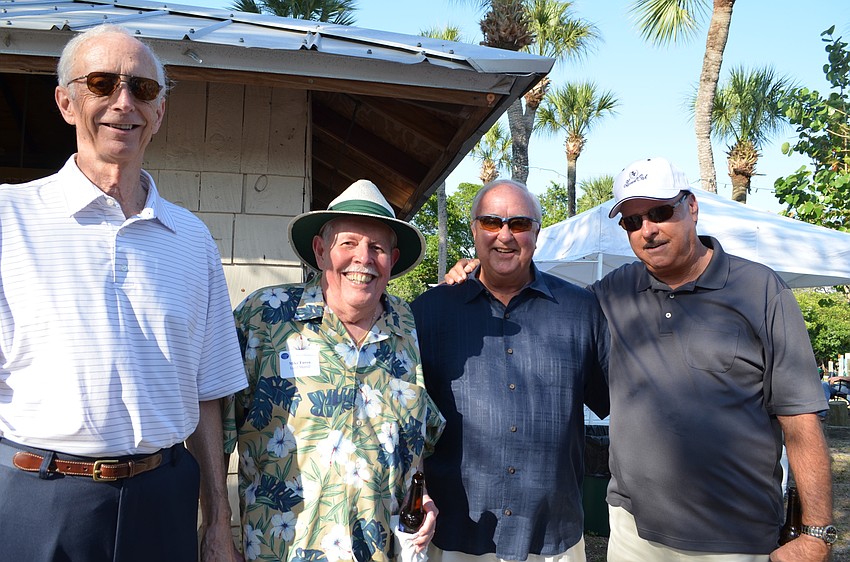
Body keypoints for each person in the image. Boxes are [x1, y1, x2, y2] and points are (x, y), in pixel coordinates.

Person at [447, 157, 834, 562]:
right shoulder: (612, 293)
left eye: (660, 212)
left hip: (736, 538)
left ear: (692, 208)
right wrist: (478, 273)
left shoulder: (759, 289)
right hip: (634, 534)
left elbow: (801, 419)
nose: (647, 230)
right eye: (632, 222)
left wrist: (817, 533)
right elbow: (541, 299)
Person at [0, 25, 247, 562]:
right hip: (36, 502)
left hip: (162, 503)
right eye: (102, 83)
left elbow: (208, 394)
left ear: (159, 114)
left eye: (143, 89)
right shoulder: (8, 219)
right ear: (66, 102)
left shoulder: (193, 240)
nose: (124, 102)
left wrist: (217, 524)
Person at [226, 179, 446, 562]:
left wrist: (421, 496)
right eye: (348, 243)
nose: (363, 258)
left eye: (377, 247)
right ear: (321, 250)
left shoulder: (407, 327)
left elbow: (413, 444)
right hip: (280, 552)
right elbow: (212, 425)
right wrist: (214, 523)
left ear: (392, 261)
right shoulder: (265, 317)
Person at [410, 179, 610, 562]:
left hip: (551, 537)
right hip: (456, 534)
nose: (504, 235)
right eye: (490, 222)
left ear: (536, 232)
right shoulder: (430, 312)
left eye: (519, 224)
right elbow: (404, 418)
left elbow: (617, 401)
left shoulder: (580, 310)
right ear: (473, 229)